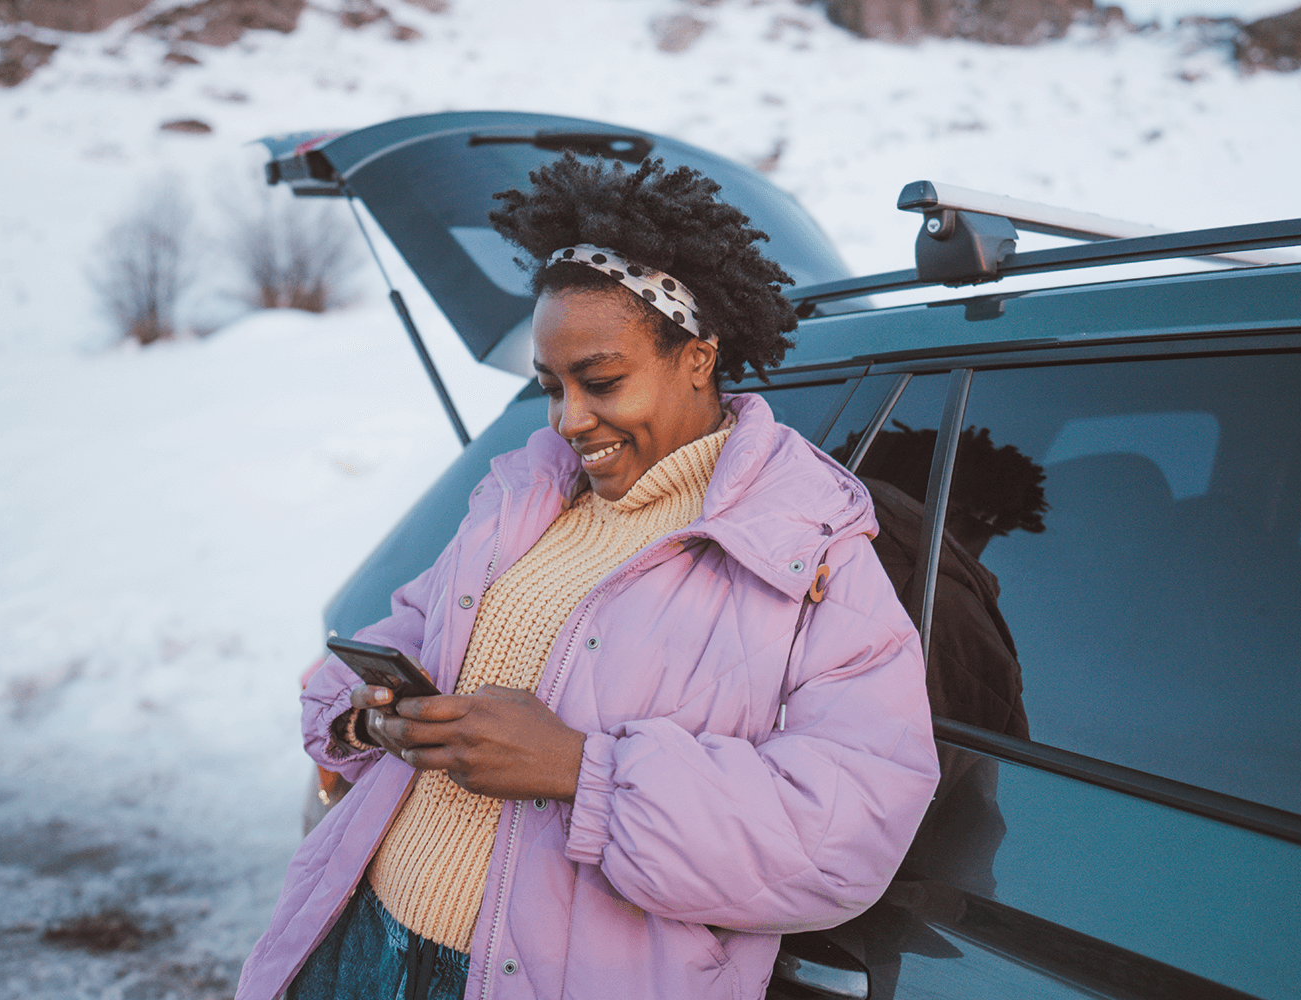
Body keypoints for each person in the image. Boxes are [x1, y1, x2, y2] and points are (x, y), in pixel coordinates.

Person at [235, 155, 940, 1000]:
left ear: (698, 358)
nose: (571, 419)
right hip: (363, 942)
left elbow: (844, 837)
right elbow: (400, 635)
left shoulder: (810, 549)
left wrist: (579, 769)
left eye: (601, 381)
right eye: (552, 386)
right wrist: (373, 716)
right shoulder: (525, 496)